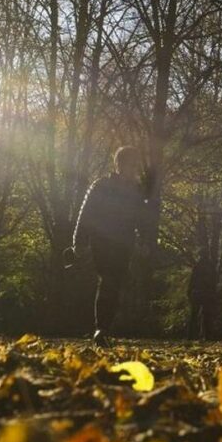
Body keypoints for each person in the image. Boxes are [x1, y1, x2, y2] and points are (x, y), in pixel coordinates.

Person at [65, 145, 148, 344]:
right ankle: (101, 328)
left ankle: (103, 328)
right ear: (119, 165)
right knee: (109, 280)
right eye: (129, 164)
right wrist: (79, 242)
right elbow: (85, 215)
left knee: (115, 283)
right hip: (102, 241)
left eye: (134, 165)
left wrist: (144, 239)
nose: (132, 169)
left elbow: (141, 219)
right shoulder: (101, 186)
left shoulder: (136, 191)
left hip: (123, 243)